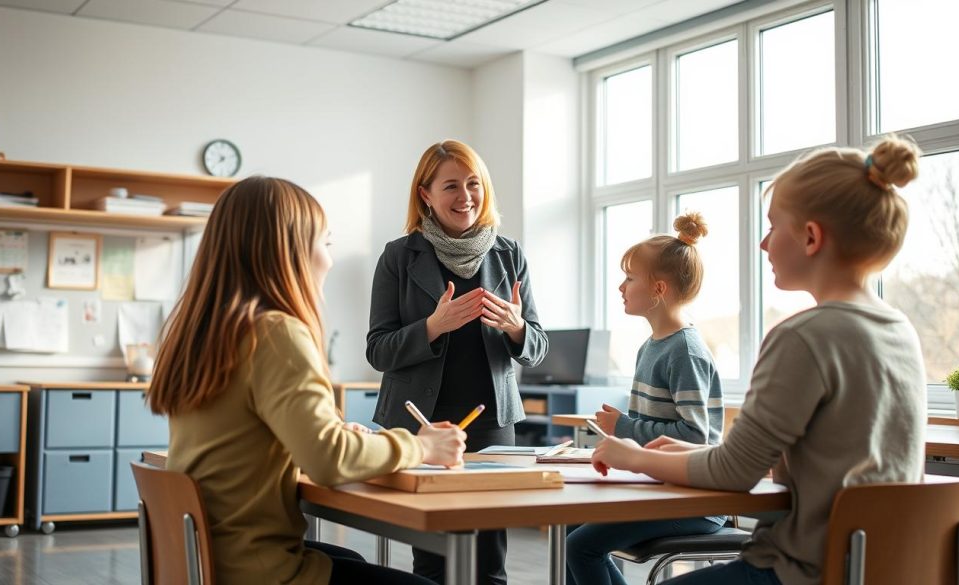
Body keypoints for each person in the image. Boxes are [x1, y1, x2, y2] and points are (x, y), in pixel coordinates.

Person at [592, 136, 926, 585]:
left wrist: (633, 456)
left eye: (773, 227)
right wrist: (696, 450)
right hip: (883, 569)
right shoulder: (899, 331)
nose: (765, 244)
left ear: (810, 237)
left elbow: (734, 474)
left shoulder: (802, 337)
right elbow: (805, 462)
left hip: (802, 572)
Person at [147, 176, 466, 585]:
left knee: (349, 557)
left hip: (212, 556)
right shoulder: (275, 332)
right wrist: (421, 445)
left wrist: (334, 436)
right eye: (326, 243)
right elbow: (327, 460)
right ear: (290, 249)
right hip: (258, 570)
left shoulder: (205, 332)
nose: (329, 260)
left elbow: (251, 440)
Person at [367, 139, 549, 584]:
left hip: (490, 425)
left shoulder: (509, 253)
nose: (465, 197)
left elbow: (539, 345)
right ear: (425, 194)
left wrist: (515, 327)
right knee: (432, 559)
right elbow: (377, 349)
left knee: (490, 560)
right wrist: (433, 325)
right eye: (451, 186)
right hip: (420, 424)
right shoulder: (398, 255)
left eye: (473, 184)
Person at [566, 212, 725, 585]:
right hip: (661, 487)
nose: (621, 287)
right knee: (571, 523)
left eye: (630, 278)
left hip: (696, 501)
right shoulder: (651, 347)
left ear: (658, 290)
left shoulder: (684, 351)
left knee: (580, 547)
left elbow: (695, 438)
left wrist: (624, 426)